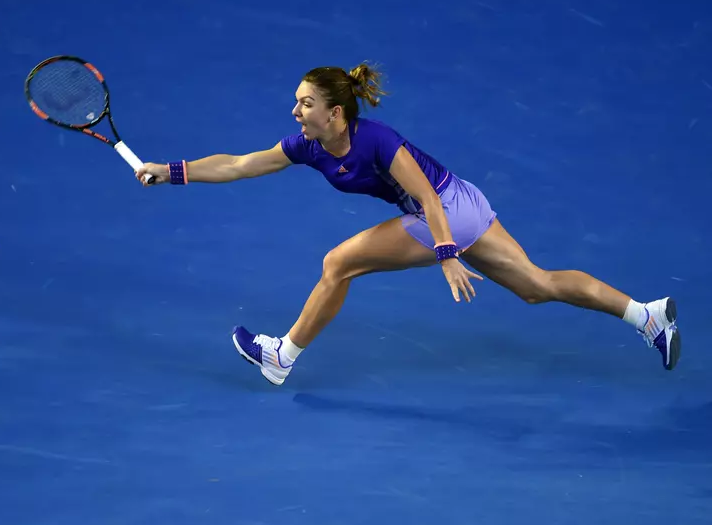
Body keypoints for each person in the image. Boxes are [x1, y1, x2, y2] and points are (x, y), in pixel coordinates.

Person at [135, 63, 681, 385]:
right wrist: (171, 171)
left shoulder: (377, 140)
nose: (296, 112)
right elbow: (239, 164)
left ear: (335, 113)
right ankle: (646, 316)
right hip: (464, 201)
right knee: (537, 285)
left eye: (305, 104)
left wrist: (447, 254)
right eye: (296, 103)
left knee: (338, 264)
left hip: (445, 210)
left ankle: (282, 357)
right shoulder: (307, 146)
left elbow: (425, 197)